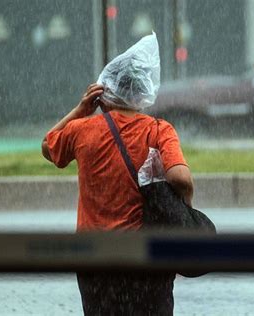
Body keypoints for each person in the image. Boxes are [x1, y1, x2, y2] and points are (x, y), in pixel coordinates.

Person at [42, 33, 193, 316]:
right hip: (144, 255)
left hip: (92, 257)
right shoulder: (158, 130)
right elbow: (180, 179)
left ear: (104, 91)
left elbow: (47, 146)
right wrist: (185, 215)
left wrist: (80, 110)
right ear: (143, 91)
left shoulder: (80, 131)